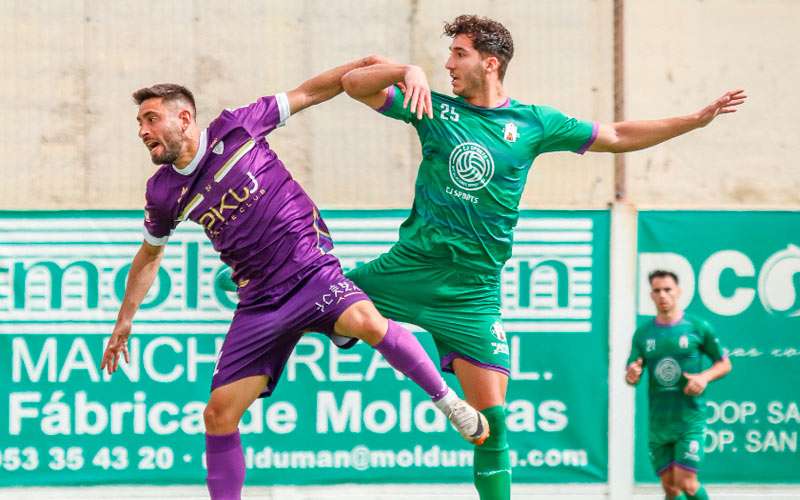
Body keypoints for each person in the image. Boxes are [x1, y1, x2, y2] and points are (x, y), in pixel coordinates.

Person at [337, 15, 745, 499]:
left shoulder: (533, 123)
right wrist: (405, 69)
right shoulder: (433, 108)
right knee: (300, 301)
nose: (448, 63)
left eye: (459, 54)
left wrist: (693, 121)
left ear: (490, 64)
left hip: (472, 296)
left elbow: (615, 135)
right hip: (406, 271)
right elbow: (352, 84)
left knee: (491, 426)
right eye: (447, 56)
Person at [99, 57, 488, 500]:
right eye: (139, 123)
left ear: (184, 118)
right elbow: (149, 256)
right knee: (218, 416)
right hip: (260, 302)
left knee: (367, 322)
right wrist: (124, 320)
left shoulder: (237, 127)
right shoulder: (163, 191)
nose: (142, 131)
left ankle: (449, 403)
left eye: (151, 119)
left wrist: (404, 69)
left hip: (311, 270)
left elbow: (322, 87)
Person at [626, 270, 732, 500]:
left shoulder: (698, 327)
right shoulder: (643, 334)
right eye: (657, 291)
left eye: (667, 289)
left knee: (687, 483)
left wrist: (703, 377)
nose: (663, 295)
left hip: (689, 421)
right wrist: (632, 374)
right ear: (651, 295)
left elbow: (724, 364)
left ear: (679, 292)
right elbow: (631, 372)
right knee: (671, 489)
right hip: (659, 425)